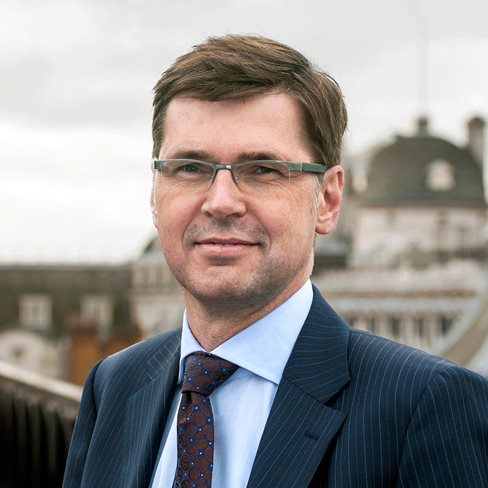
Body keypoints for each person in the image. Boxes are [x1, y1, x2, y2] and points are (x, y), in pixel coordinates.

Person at [63, 34, 488, 488]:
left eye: (263, 169)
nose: (221, 202)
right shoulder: (115, 384)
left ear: (328, 200)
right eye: (189, 167)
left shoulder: (426, 403)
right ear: (154, 194)